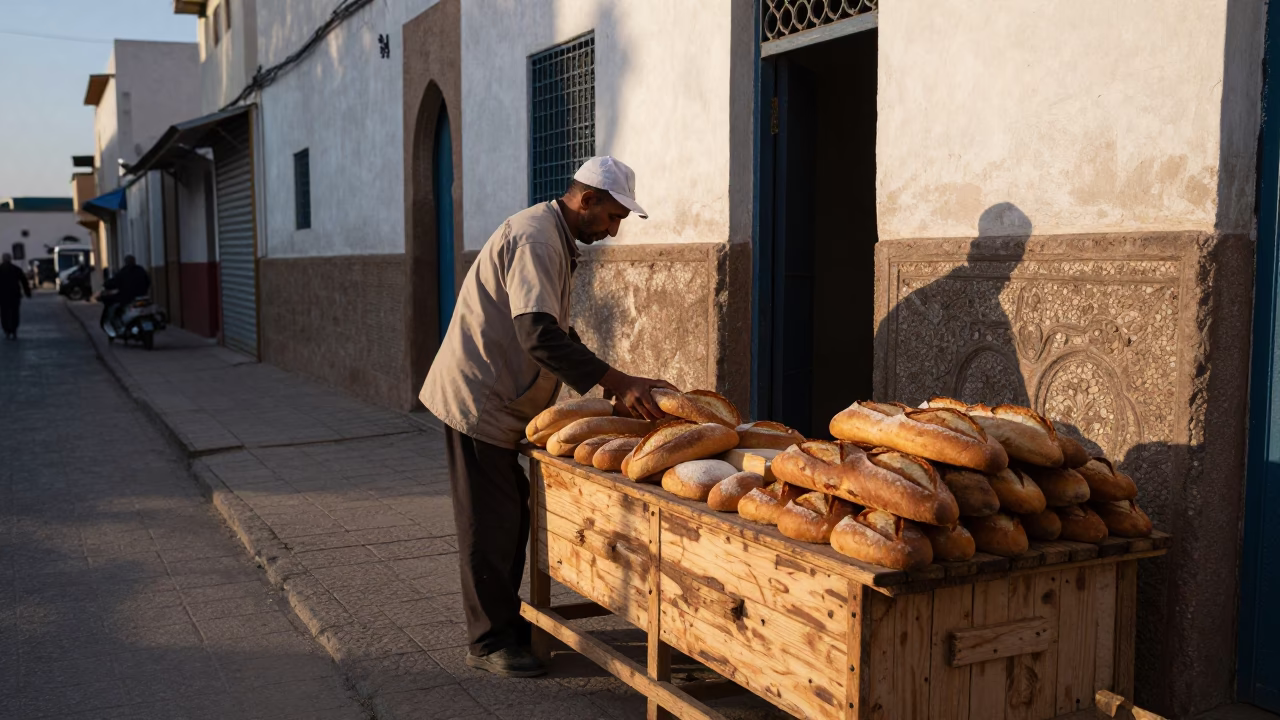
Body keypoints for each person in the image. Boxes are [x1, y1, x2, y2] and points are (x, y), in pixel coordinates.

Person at [420, 156, 676, 678]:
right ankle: (489, 640)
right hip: (479, 399)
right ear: (587, 200)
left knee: (512, 517)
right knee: (489, 524)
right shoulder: (538, 237)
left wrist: (614, 381)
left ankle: (507, 624)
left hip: (502, 400)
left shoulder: (552, 235)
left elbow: (556, 328)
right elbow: (535, 332)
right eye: (612, 218)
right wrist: (617, 381)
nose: (613, 230)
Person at [99, 254, 150, 330]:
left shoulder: (124, 271)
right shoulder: (140, 270)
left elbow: (115, 282)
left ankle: (115, 324)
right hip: (141, 296)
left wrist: (106, 284)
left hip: (127, 297)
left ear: (126, 262)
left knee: (111, 303)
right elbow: (148, 282)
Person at [0, 253, 32, 340]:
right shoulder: (16, 269)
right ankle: (14, 330)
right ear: (10, 259)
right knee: (14, 313)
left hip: (3, 296)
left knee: (4, 314)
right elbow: (24, 281)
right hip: (14, 295)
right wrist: (27, 293)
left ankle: (6, 330)